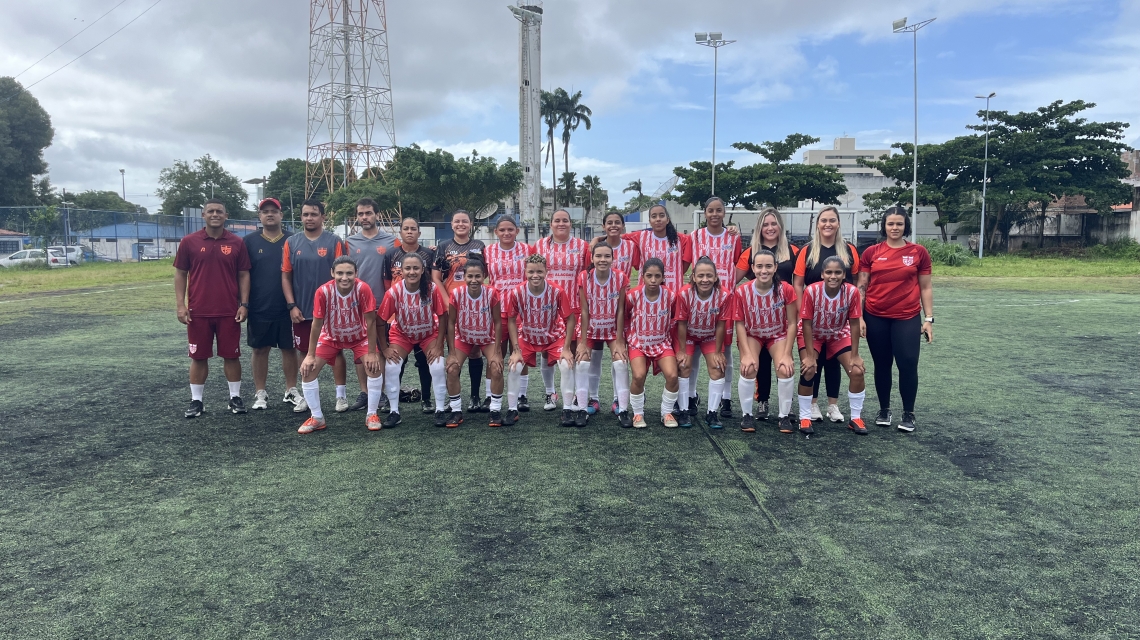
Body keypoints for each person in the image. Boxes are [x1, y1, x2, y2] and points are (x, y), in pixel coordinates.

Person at [856, 207, 934, 433]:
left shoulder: (919, 252)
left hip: (907, 317)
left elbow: (926, 287)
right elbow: (862, 287)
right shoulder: (871, 252)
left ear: (906, 226)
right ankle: (884, 409)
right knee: (882, 365)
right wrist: (859, 317)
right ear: (884, 226)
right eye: (890, 224)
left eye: (899, 224)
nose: (894, 228)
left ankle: (908, 413)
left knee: (908, 363)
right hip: (875, 316)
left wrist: (928, 318)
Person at [174, 198, 251, 417]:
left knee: (232, 355)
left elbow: (244, 274)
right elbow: (180, 273)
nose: (215, 214)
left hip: (229, 311)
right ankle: (196, 401)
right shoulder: (189, 242)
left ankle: (235, 397)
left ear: (226, 216)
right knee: (198, 357)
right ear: (203, 215)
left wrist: (243, 304)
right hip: (198, 312)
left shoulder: (237, 242)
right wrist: (181, 306)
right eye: (211, 211)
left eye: (219, 211)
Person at [296, 257, 384, 434]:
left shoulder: (363, 289)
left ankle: (372, 414)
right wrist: (310, 354)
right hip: (331, 337)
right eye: (340, 273)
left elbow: (371, 322)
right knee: (308, 370)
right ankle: (317, 417)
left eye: (349, 273)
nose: (345, 277)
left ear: (356, 274)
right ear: (332, 273)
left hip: (360, 337)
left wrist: (372, 353)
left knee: (374, 367)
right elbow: (316, 324)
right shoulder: (323, 291)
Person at [792, 206, 860, 423]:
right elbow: (798, 284)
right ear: (818, 224)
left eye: (832, 220)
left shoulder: (849, 250)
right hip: (813, 318)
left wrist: (860, 317)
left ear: (838, 223)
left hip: (839, 320)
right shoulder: (808, 250)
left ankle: (833, 406)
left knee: (835, 362)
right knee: (813, 362)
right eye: (824, 220)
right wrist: (802, 315)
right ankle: (812, 404)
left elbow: (857, 283)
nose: (828, 224)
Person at [282, 199, 349, 411]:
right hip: (302, 309)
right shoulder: (292, 243)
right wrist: (292, 305)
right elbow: (286, 276)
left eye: (313, 214)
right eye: (305, 215)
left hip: (332, 310)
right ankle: (309, 399)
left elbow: (344, 275)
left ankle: (341, 397)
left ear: (323, 216)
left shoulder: (334, 241)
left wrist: (340, 304)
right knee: (305, 352)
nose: (309, 218)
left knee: (336, 351)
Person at [735, 207, 800, 422]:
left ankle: (785, 412)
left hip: (780, 318)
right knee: (753, 363)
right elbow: (731, 278)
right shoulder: (750, 252)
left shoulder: (793, 251)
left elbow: (803, 278)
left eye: (774, 224)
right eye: (765, 224)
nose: (770, 228)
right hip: (755, 320)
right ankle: (757, 405)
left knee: (784, 365)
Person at [375, 252, 449, 428]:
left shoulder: (431, 289)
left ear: (423, 269)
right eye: (407, 268)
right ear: (401, 270)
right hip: (402, 334)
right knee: (392, 367)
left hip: (428, 333)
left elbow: (443, 316)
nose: (412, 272)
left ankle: (439, 409)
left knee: (438, 365)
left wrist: (439, 345)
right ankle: (394, 411)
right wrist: (384, 348)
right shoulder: (394, 292)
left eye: (416, 268)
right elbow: (379, 321)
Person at [797, 256, 867, 436]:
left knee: (857, 370)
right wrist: (811, 356)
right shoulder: (811, 291)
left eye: (837, 272)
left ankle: (856, 418)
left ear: (844, 274)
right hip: (813, 334)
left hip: (838, 334)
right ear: (822, 274)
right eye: (829, 272)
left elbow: (853, 324)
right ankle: (804, 417)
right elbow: (806, 324)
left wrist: (855, 354)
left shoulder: (851, 292)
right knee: (809, 369)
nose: (833, 276)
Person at [687, 196, 743, 419]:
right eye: (710, 210)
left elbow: (740, 264)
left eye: (719, 210)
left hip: (723, 302)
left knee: (725, 353)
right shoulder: (695, 236)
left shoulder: (733, 237)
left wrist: (729, 287)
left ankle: (726, 398)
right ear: (704, 212)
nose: (714, 214)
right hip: (698, 301)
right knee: (694, 353)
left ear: (724, 212)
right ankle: (691, 396)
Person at [244, 198, 301, 411]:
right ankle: (260, 392)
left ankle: (291, 390)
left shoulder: (293, 239)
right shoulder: (249, 241)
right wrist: (245, 303)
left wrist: (295, 302)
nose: (270, 214)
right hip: (259, 305)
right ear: (259, 216)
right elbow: (244, 275)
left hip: (288, 305)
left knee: (289, 348)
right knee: (259, 349)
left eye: (274, 211)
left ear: (281, 214)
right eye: (265, 211)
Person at [504, 255, 576, 424]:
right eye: (531, 271)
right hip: (528, 337)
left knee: (566, 365)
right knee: (514, 367)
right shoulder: (516, 292)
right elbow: (512, 320)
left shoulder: (557, 291)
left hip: (554, 337)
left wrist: (566, 348)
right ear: (525, 272)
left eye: (539, 271)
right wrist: (515, 350)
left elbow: (570, 319)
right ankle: (512, 410)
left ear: (546, 272)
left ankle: (567, 409)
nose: (535, 275)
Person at [344, 197, 398, 412]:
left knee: (378, 349)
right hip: (355, 305)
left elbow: (399, 270)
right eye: (360, 214)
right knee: (359, 351)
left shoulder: (391, 241)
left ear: (377, 214)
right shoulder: (349, 242)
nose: (364, 217)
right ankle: (365, 392)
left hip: (382, 304)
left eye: (368, 213)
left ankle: (381, 392)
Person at [533, 209, 589, 412]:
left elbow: (586, 274)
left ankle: (573, 395)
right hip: (546, 306)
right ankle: (550, 392)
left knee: (571, 351)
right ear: (551, 224)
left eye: (565, 220)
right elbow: (532, 273)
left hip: (573, 304)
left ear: (570, 224)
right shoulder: (539, 246)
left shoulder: (582, 246)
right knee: (547, 353)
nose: (561, 223)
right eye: (557, 220)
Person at [434, 209, 489, 413]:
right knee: (454, 351)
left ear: (471, 223)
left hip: (474, 305)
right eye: (457, 221)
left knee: (474, 351)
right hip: (452, 303)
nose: (461, 225)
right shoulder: (443, 246)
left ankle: (475, 396)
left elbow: (485, 274)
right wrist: (447, 300)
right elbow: (436, 277)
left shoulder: (479, 246)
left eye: (464, 221)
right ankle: (454, 398)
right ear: (451, 224)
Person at [585, 211, 639, 415]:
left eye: (618, 222)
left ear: (624, 226)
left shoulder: (631, 245)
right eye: (609, 223)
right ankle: (594, 398)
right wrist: (596, 240)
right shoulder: (595, 247)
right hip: (597, 309)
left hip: (619, 309)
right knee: (594, 356)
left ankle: (618, 399)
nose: (614, 225)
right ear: (603, 225)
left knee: (618, 355)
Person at [382, 217, 438, 414]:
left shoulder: (429, 254)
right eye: (405, 228)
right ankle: (392, 402)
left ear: (419, 233)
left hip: (424, 318)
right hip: (400, 317)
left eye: (413, 228)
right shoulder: (391, 254)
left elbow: (436, 280)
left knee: (425, 360)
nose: (409, 232)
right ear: (400, 232)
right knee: (398, 361)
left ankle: (427, 399)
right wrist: (391, 316)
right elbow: (387, 284)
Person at [484, 216, 536, 412]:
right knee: (495, 353)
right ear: (496, 232)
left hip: (521, 310)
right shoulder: (487, 252)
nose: (506, 233)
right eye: (502, 230)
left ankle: (521, 395)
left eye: (510, 229)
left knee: (519, 351)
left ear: (517, 231)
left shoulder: (527, 250)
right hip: (496, 310)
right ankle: (489, 396)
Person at [444, 260, 505, 428]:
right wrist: (451, 352)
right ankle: (456, 411)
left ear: (484, 276)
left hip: (487, 338)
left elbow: (498, 322)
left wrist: (498, 350)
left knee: (496, 367)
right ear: (464, 276)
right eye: (469, 276)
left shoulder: (492, 293)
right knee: (452, 368)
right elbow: (450, 323)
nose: (473, 280)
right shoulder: (456, 293)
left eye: (478, 276)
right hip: (463, 337)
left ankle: (495, 410)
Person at [575, 242, 630, 427]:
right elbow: (584, 311)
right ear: (592, 258)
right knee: (583, 363)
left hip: (613, 329)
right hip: (591, 328)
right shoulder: (584, 277)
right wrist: (582, 342)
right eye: (598, 256)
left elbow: (621, 310)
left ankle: (622, 408)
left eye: (607, 256)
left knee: (621, 362)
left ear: (613, 259)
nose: (603, 260)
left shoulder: (620, 277)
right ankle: (587, 405)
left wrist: (620, 340)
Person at [625, 258, 683, 429]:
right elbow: (625, 315)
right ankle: (637, 413)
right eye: (649, 276)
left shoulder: (670, 296)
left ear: (663, 277)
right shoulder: (633, 295)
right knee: (638, 375)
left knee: (673, 376)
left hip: (662, 343)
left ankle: (666, 412)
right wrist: (629, 337)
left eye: (657, 276)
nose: (653, 280)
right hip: (639, 344)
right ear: (642, 276)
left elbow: (675, 318)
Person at [675, 258, 732, 429]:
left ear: (715, 277)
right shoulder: (684, 294)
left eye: (709, 275)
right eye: (700, 276)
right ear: (693, 277)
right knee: (683, 365)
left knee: (717, 367)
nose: (704, 279)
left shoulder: (724, 295)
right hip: (689, 336)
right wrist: (682, 351)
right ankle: (684, 410)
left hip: (710, 336)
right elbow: (682, 324)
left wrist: (718, 351)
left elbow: (721, 324)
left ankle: (712, 413)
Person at [632, 204, 691, 293]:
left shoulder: (680, 239)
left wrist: (676, 273)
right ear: (650, 221)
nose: (658, 219)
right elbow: (617, 236)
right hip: (647, 293)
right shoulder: (641, 236)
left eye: (662, 215)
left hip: (674, 291)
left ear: (667, 220)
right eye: (654, 216)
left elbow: (686, 262)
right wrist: (603, 237)